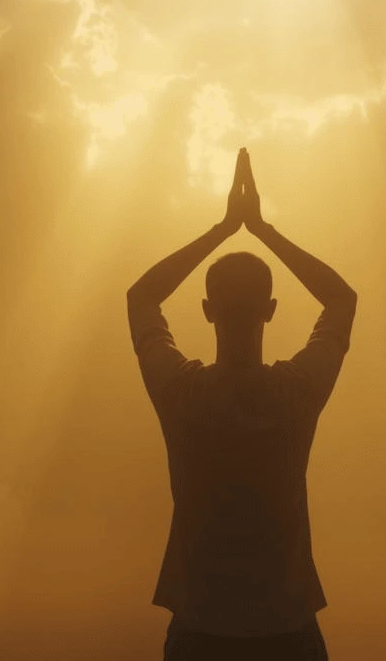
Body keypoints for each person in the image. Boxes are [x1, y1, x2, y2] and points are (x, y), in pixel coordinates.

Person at [127, 148, 357, 661]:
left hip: (199, 635)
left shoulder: (179, 395)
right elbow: (341, 299)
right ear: (271, 311)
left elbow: (141, 297)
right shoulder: (297, 395)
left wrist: (225, 226)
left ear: (206, 311)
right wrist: (260, 228)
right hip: (289, 633)